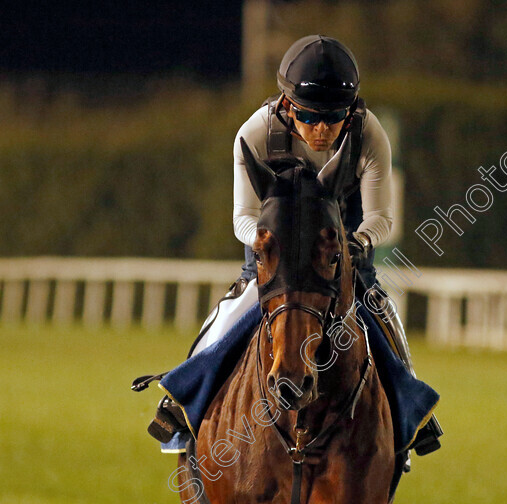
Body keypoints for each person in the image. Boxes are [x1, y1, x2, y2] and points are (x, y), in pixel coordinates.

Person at [151, 35, 441, 459]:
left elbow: (382, 218)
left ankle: (412, 410)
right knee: (237, 306)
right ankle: (182, 396)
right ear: (287, 106)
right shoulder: (254, 133)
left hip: (340, 250)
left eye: (334, 116)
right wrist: (270, 244)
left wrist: (358, 243)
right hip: (274, 249)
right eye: (309, 116)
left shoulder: (369, 132)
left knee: (380, 311)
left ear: (351, 109)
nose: (322, 129)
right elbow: (242, 217)